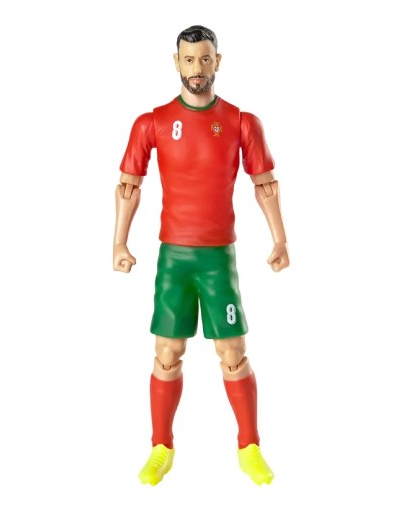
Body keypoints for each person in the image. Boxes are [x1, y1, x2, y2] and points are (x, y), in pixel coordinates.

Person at [113, 25, 289, 485]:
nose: (197, 68)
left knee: (232, 351)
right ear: (177, 62)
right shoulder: (151, 122)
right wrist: (119, 242)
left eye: (205, 58)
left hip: (217, 259)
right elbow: (129, 184)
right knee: (166, 352)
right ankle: (160, 446)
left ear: (218, 61)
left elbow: (265, 183)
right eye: (189, 59)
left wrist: (280, 239)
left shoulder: (241, 122)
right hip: (174, 257)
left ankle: (250, 446)